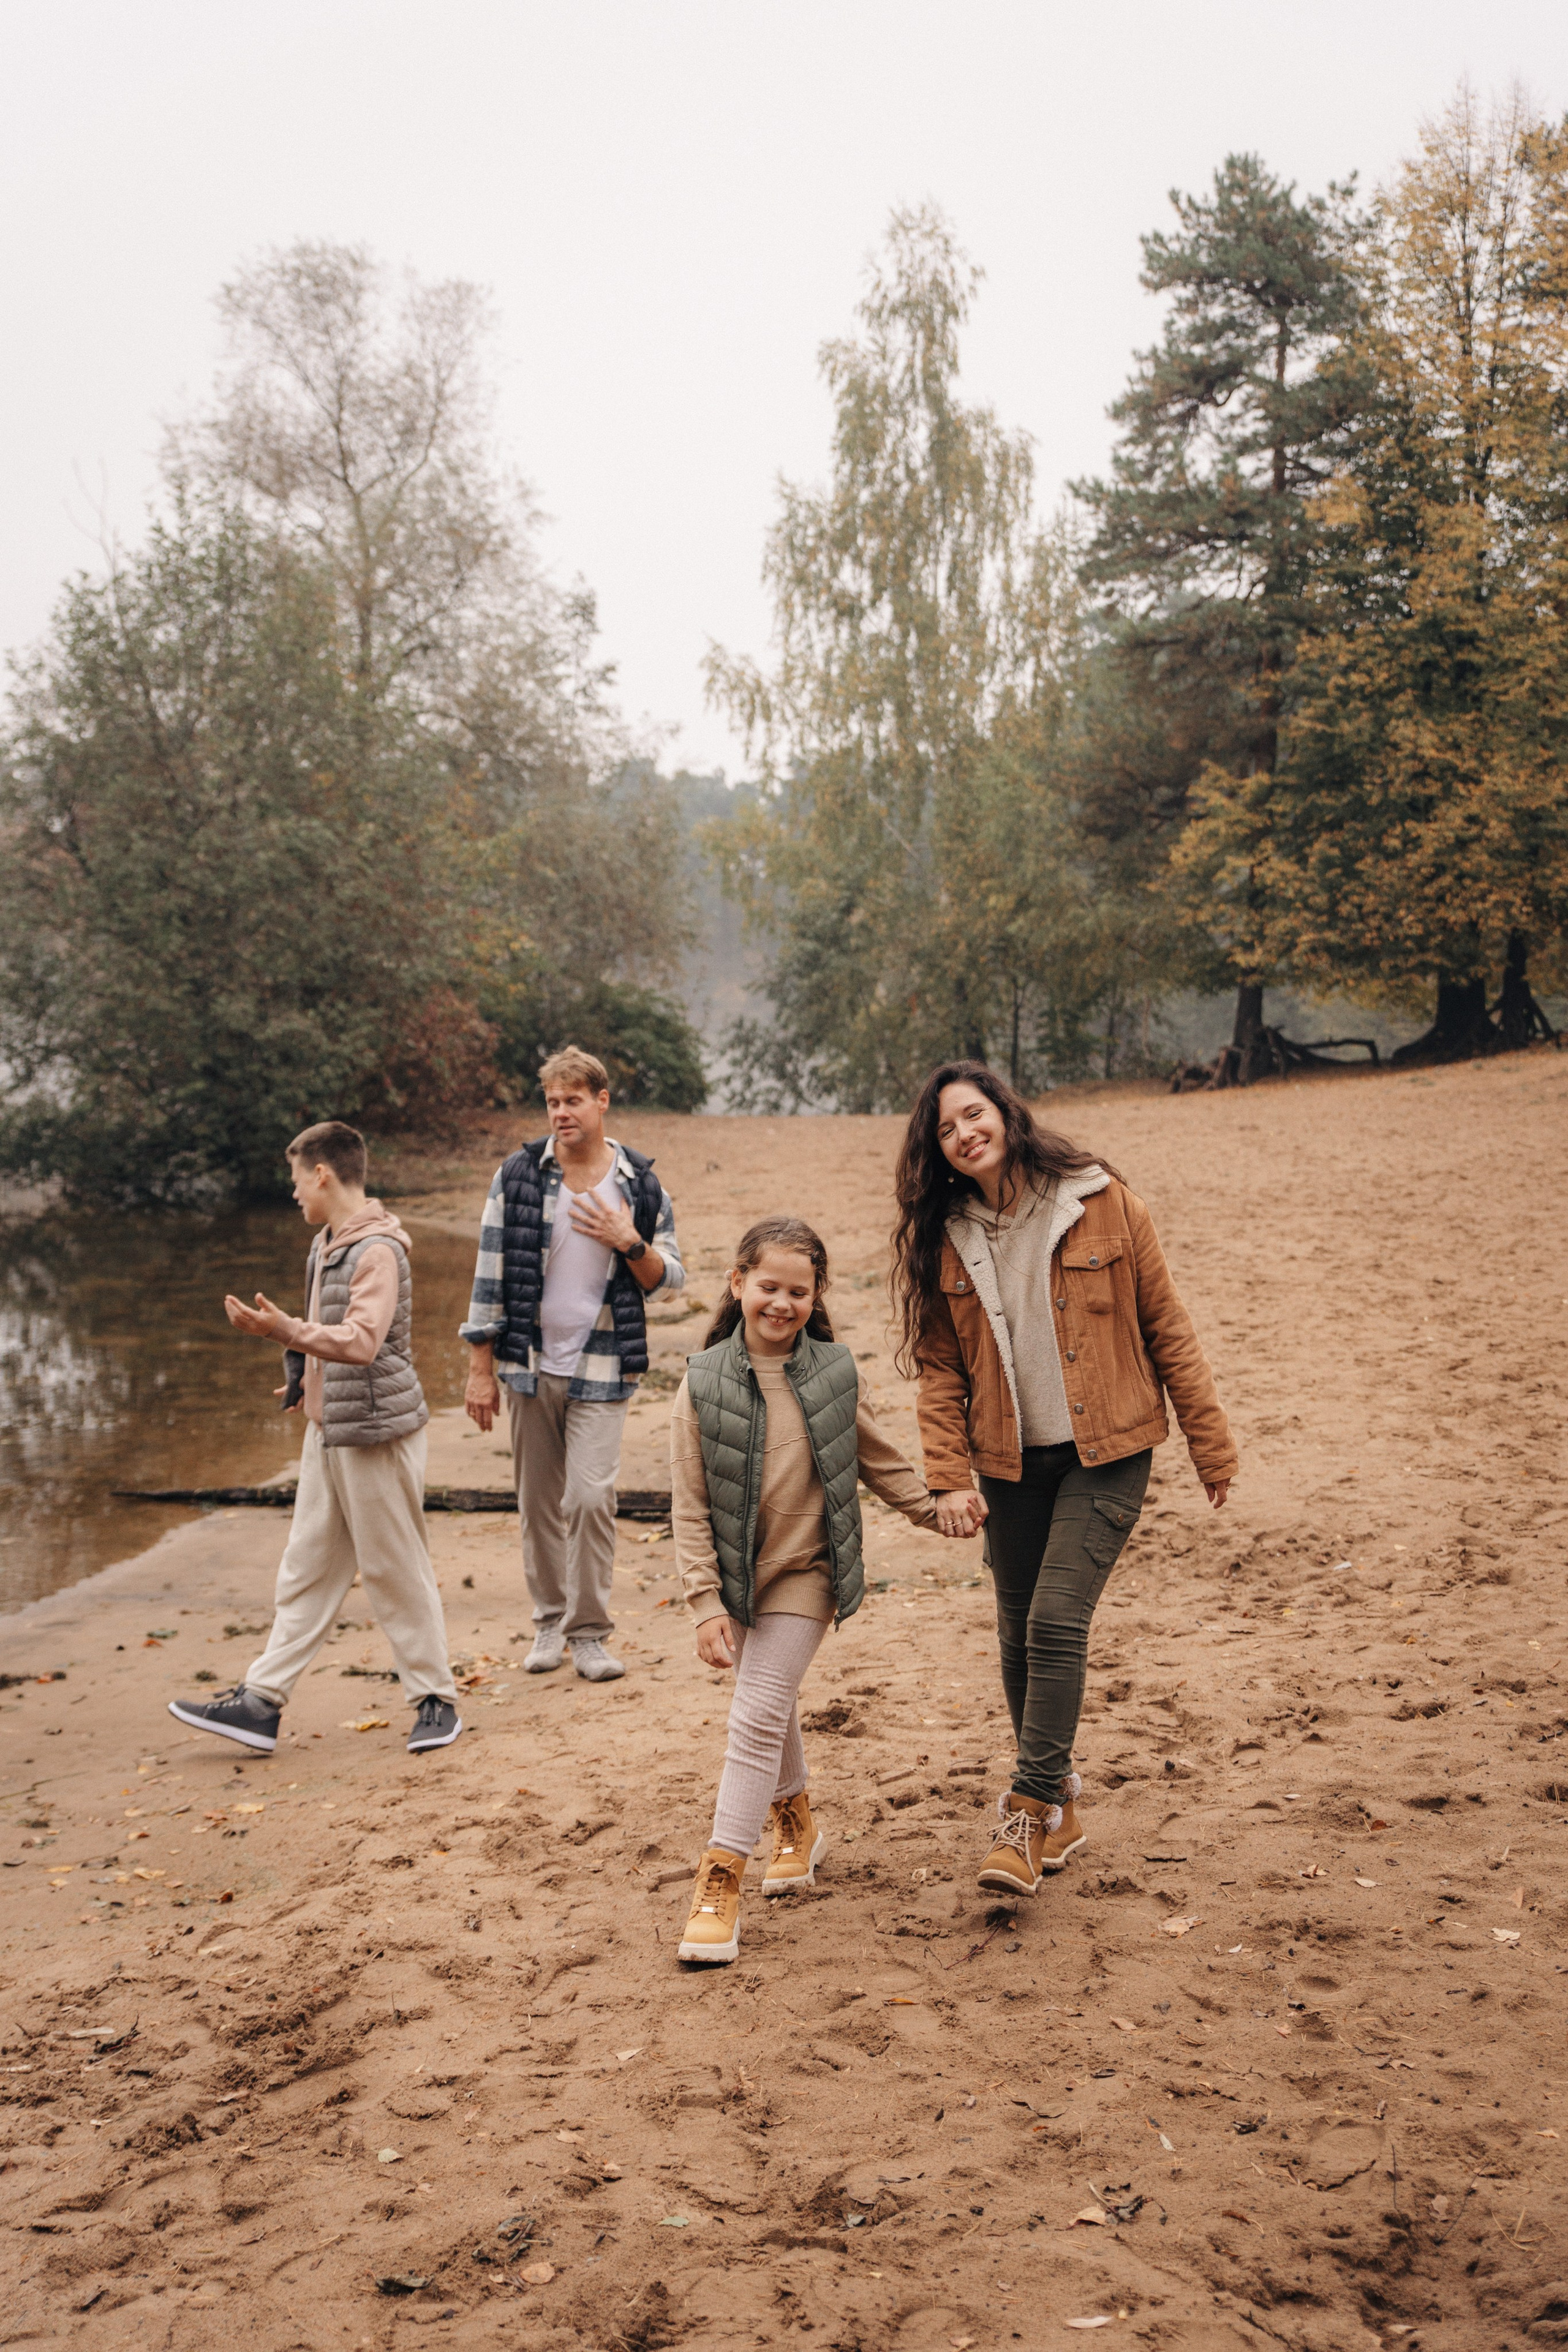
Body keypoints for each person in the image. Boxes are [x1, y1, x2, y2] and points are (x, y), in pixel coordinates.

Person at [890, 1061, 1237, 1898]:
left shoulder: (1101, 1200)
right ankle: (1064, 1806)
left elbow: (1168, 1327)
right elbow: (940, 1370)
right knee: (1016, 1635)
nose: (966, 1134)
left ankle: (1024, 1814)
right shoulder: (949, 1234)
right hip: (1009, 1460)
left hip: (1109, 1449)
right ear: (937, 1151)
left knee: (1053, 1619)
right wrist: (946, 1480)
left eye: (974, 1116)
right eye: (947, 1129)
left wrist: (1209, 1442)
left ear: (1005, 1114)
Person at [670, 1216, 970, 1966]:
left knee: (755, 1713)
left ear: (816, 1295)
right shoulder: (701, 1381)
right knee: (769, 1707)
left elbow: (880, 1459)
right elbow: (688, 1504)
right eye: (767, 1287)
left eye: (797, 1291)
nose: (781, 1303)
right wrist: (705, 1604)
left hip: (809, 1573)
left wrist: (939, 1510)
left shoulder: (835, 1371)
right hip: (741, 1577)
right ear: (738, 1284)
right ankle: (797, 1823)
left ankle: (719, 1880)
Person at [168, 1121, 462, 1758]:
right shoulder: (327, 1243)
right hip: (331, 1430)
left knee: (393, 1568)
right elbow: (321, 1336)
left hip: (377, 1432)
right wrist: (300, 1382)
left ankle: (436, 1700)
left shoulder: (378, 1250)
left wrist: (283, 1330)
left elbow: (360, 1340)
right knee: (307, 1567)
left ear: (324, 1174)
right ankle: (260, 1703)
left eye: (298, 1180)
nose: (294, 1192)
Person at [461, 1047, 685, 1683]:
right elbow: (489, 1273)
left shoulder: (638, 1184)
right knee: (537, 1505)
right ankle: (547, 1622)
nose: (561, 1112)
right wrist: (481, 1367)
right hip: (528, 1364)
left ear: (601, 1101)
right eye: (553, 1102)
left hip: (606, 1366)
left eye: (573, 1100)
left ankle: (588, 1633)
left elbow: (670, 1274)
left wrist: (628, 1240)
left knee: (589, 1499)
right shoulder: (519, 1175)